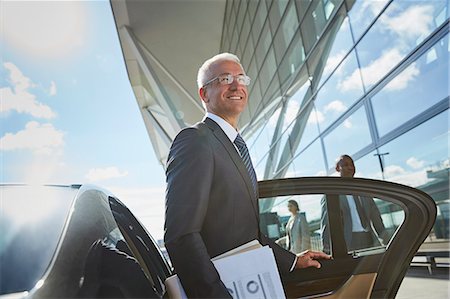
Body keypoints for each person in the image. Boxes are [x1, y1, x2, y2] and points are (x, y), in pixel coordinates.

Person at [164, 53, 331, 298]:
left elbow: (247, 234)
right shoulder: (195, 140)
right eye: (225, 78)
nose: (236, 85)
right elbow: (181, 235)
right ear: (204, 94)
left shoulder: (235, 146)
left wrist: (293, 261)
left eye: (241, 79)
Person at [321, 154, 390, 254]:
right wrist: (327, 251)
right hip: (348, 243)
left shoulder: (364, 190)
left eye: (352, 164)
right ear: (337, 168)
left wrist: (388, 242)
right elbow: (326, 224)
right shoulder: (332, 194)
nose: (350, 167)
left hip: (370, 240)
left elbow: (377, 219)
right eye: (345, 164)